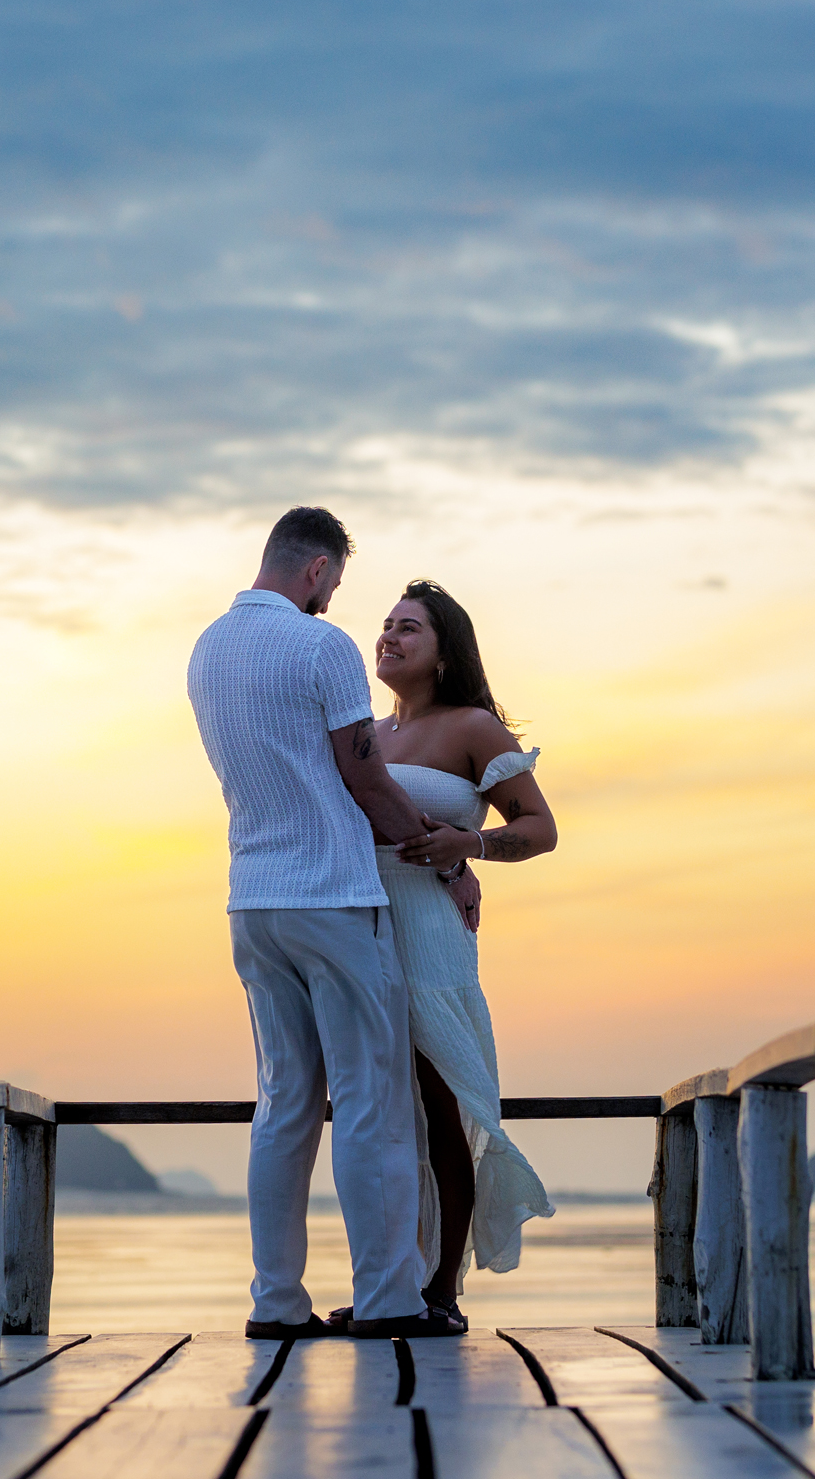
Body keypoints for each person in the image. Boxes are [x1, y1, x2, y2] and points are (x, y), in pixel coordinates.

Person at [185, 509, 471, 1341]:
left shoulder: (207, 649)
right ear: (316, 570)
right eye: (336, 585)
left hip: (252, 900)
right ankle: (389, 1299)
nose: (334, 601)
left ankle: (275, 1303)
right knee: (371, 1101)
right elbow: (364, 774)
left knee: (282, 1106)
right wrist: (441, 858)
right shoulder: (322, 648)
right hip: (334, 898)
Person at [366, 579, 560, 1329]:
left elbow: (540, 828)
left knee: (440, 1106)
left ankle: (440, 1291)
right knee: (379, 1115)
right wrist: (457, 865)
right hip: (360, 929)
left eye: (408, 628)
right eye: (384, 625)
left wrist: (469, 846)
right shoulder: (368, 735)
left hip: (429, 940)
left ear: (446, 650)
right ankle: (391, 1285)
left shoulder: (472, 727)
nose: (388, 636)